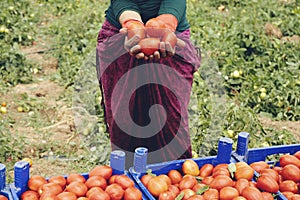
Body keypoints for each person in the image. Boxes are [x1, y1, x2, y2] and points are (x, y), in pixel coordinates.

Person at [96, 0, 201, 169]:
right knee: (124, 119)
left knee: (171, 122)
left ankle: (174, 183)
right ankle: (128, 183)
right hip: (120, 36)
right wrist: (132, 23)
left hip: (172, 35)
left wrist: (166, 23)